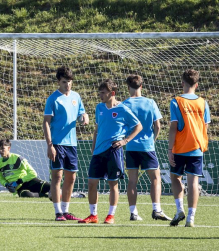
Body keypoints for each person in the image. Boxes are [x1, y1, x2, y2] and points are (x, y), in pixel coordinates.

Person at [79, 79, 142, 225]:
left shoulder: (123, 109)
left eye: (103, 93)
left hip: (114, 150)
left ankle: (110, 215)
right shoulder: (99, 108)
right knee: (91, 183)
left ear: (112, 93)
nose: (100, 95)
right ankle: (93, 215)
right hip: (98, 151)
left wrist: (125, 141)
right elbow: (97, 129)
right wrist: (93, 146)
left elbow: (138, 126)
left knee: (113, 183)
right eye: (99, 92)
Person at [42, 66, 89, 221]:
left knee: (71, 177)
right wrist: (50, 145)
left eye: (69, 82)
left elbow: (82, 112)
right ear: (58, 82)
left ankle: (66, 210)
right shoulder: (53, 99)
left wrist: (84, 117)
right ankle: (58, 213)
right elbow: (46, 123)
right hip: (57, 143)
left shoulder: (76, 96)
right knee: (57, 176)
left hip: (72, 144)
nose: (67, 85)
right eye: (64, 82)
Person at [123, 75, 172, 222]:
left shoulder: (124, 104)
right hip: (147, 146)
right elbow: (158, 125)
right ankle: (157, 209)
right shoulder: (150, 102)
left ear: (128, 87)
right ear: (141, 86)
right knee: (156, 178)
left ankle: (133, 212)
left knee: (132, 180)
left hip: (130, 146)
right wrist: (152, 140)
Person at [168, 69, 210, 227]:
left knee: (175, 177)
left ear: (182, 83)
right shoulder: (203, 102)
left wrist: (170, 149)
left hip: (180, 147)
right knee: (193, 181)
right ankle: (190, 218)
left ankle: (179, 209)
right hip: (197, 146)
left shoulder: (176, 101)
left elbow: (174, 127)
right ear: (197, 85)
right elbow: (205, 126)